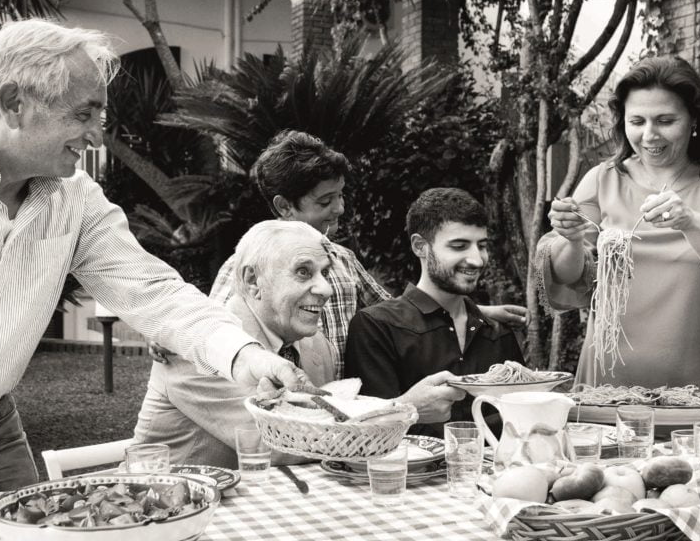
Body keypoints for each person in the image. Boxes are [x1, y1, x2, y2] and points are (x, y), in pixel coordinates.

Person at [0, 20, 301, 492]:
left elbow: (151, 291)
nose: (96, 136)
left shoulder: (75, 197)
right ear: (13, 103)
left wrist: (244, 355)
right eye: (83, 114)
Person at [154, 130, 526, 376]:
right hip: (285, 397)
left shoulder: (344, 260)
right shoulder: (247, 264)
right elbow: (215, 328)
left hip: (344, 398)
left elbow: (397, 310)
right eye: (325, 201)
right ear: (284, 206)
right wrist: (171, 336)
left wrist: (474, 311)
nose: (340, 209)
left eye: (341, 195)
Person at [536, 55, 700, 430]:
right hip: (610, 392)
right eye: (637, 121)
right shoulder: (601, 179)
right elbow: (569, 276)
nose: (649, 135)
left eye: (665, 121)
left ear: (693, 120)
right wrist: (571, 239)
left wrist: (689, 221)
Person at [134, 221, 465, 466]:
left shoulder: (315, 345)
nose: (326, 289)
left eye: (325, 273)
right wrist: (403, 409)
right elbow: (280, 445)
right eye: (304, 273)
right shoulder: (204, 346)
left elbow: (330, 424)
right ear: (253, 281)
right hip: (180, 515)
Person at [344, 188, 525, 437]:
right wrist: (408, 409)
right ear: (420, 246)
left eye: (482, 246)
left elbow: (522, 419)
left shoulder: (497, 331)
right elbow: (364, 433)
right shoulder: (376, 327)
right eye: (459, 246)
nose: (477, 260)